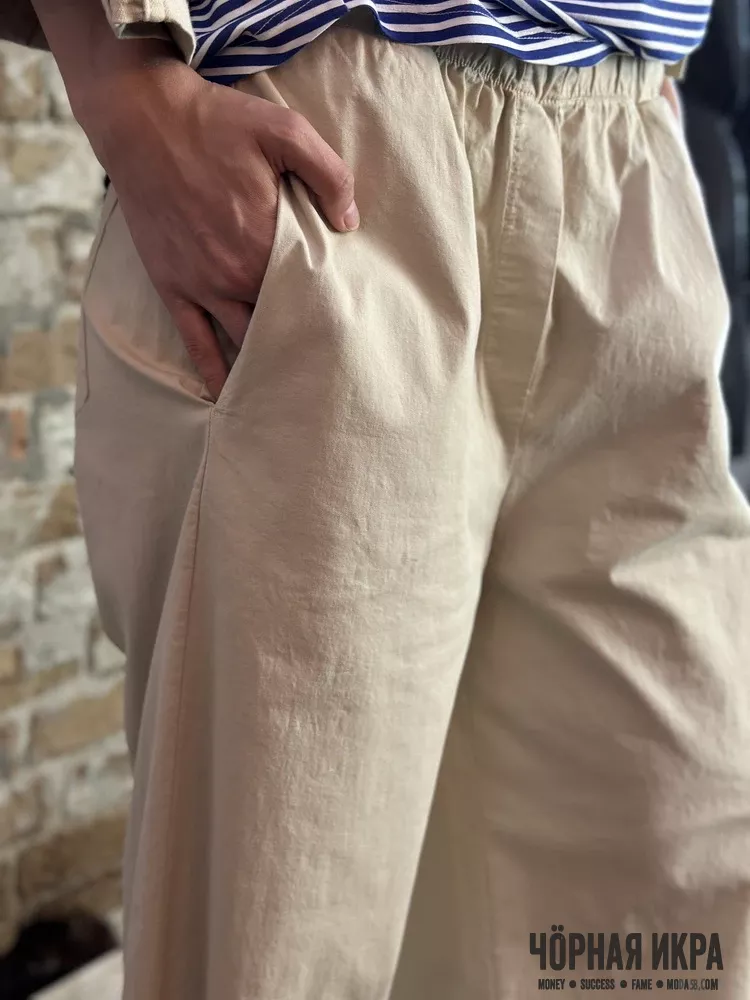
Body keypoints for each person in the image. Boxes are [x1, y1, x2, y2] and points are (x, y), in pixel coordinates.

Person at [24, 0, 750, 997]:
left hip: (624, 153)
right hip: (340, 145)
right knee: (284, 931)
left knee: (666, 904)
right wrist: (123, 87)